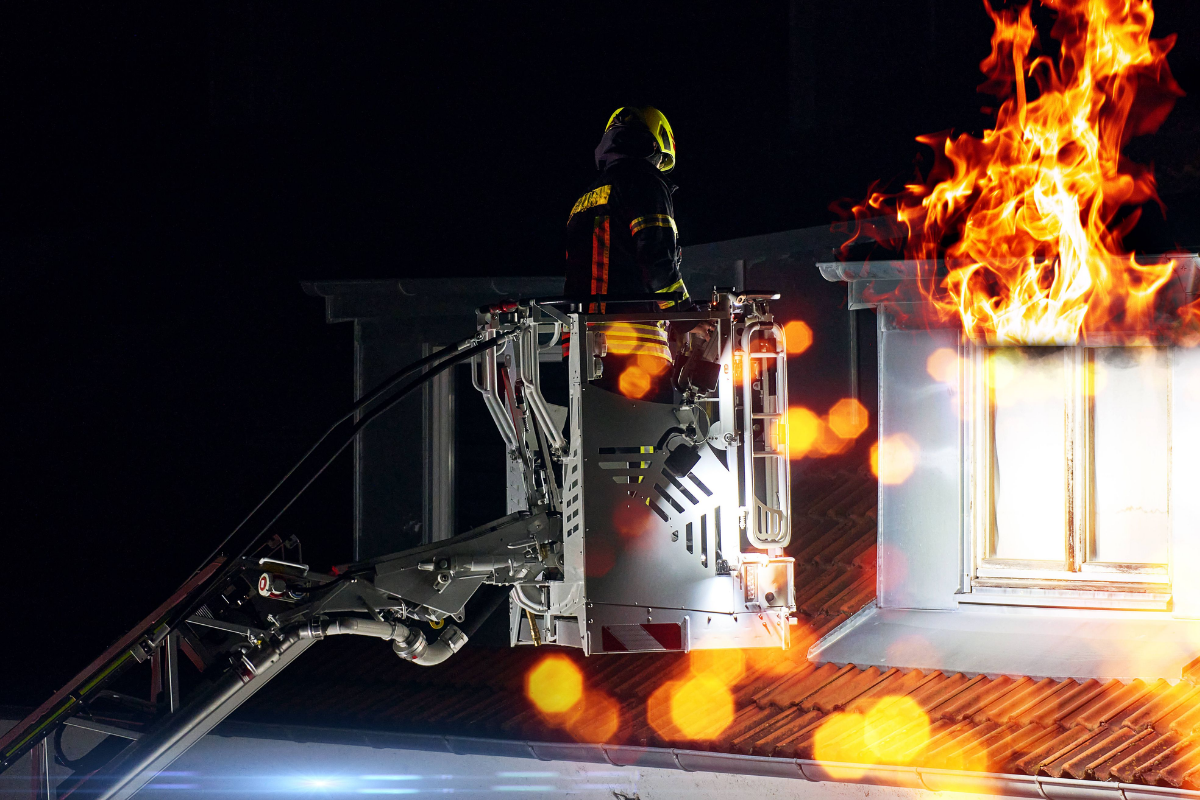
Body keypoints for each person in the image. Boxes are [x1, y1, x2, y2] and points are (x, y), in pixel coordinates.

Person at [564, 106, 691, 401]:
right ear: (658, 148)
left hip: (580, 351)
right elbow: (657, 260)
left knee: (594, 441)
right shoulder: (645, 181)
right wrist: (689, 318)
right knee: (655, 442)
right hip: (634, 350)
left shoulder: (586, 197)